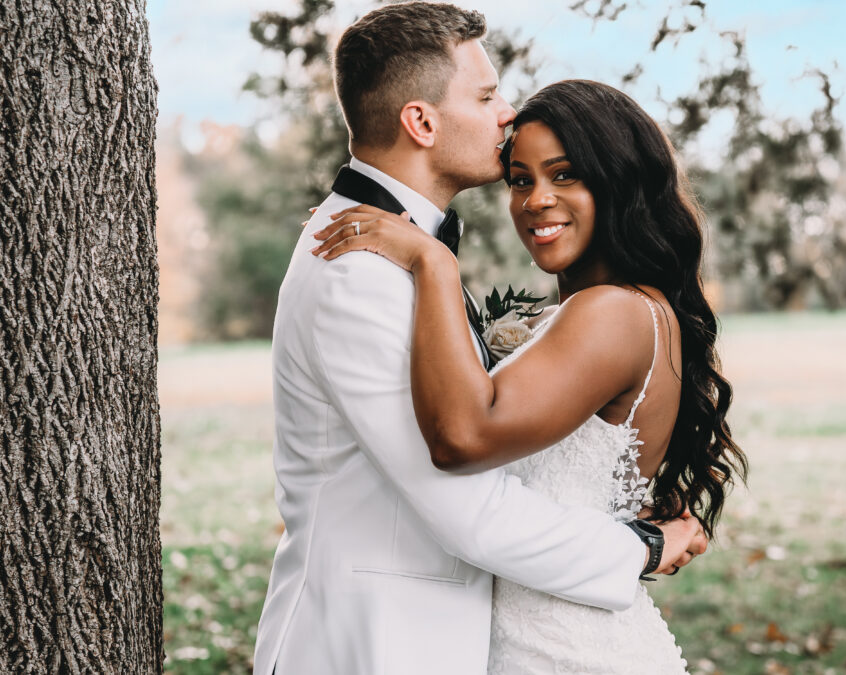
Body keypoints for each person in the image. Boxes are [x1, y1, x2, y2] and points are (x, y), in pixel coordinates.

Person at [251, 4, 708, 675]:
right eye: (487, 94)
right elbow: (465, 503)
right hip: (369, 644)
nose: (505, 113)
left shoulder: (402, 250)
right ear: (422, 121)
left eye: (565, 174)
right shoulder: (359, 266)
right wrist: (636, 546)